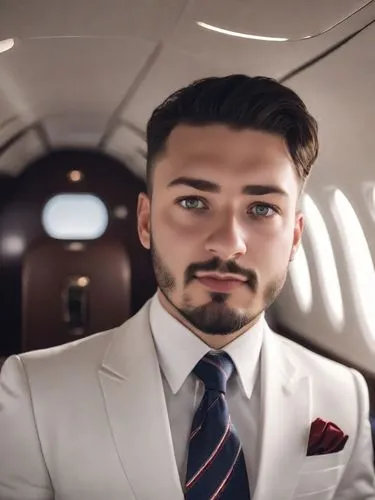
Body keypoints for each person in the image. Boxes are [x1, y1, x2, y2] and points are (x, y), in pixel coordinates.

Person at [0, 75, 374, 500]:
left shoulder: (344, 392)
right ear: (145, 221)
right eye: (194, 202)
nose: (228, 243)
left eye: (262, 208)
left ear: (294, 236)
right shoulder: (34, 390)